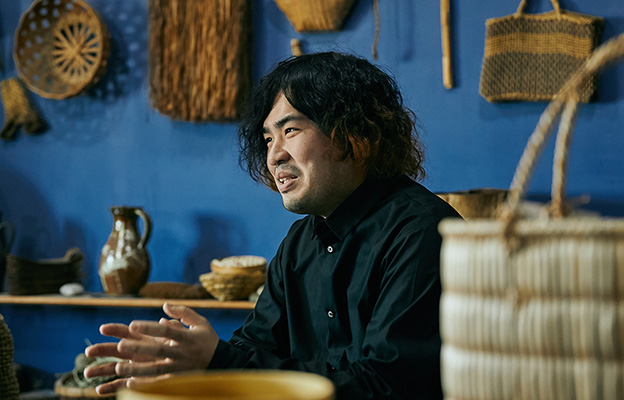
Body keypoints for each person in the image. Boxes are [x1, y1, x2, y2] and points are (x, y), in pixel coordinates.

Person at [84, 52, 460, 399]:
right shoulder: (300, 241)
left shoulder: (422, 231)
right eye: (267, 139)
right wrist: (184, 364)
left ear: (356, 132)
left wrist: (219, 362)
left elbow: (387, 387)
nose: (274, 155)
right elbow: (255, 348)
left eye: (290, 130)